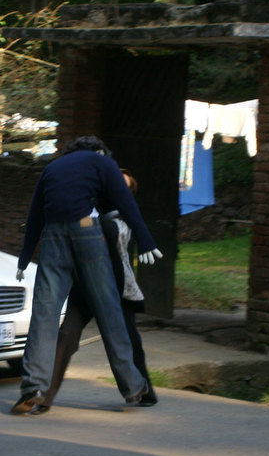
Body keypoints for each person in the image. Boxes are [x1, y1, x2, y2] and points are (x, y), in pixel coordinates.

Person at [11, 135, 162, 414]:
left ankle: (33, 386)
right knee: (109, 311)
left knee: (44, 314)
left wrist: (23, 258)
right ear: (100, 152)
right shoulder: (100, 161)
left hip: (54, 235)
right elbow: (126, 204)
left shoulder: (52, 168)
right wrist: (146, 240)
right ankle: (133, 387)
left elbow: (35, 216)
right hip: (86, 230)